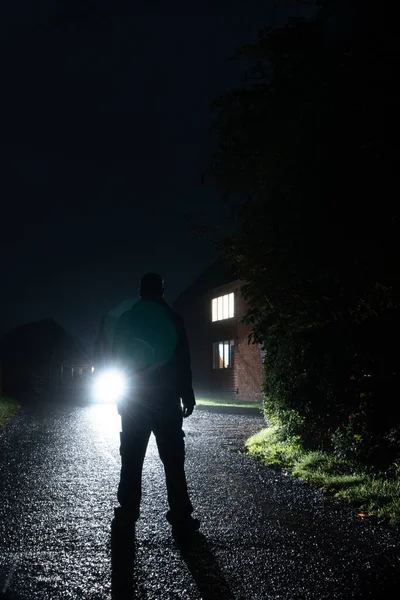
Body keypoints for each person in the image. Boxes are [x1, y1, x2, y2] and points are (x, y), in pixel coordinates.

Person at [111, 273, 199, 539]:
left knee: (132, 456)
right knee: (173, 459)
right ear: (162, 291)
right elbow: (182, 358)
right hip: (166, 399)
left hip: (134, 399)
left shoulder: (126, 320)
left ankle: (128, 511)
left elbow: (117, 357)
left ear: (139, 292)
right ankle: (181, 515)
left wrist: (119, 395)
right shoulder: (173, 319)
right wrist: (187, 393)